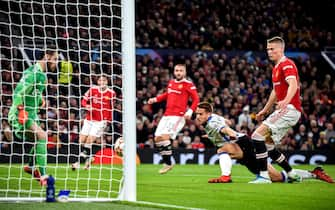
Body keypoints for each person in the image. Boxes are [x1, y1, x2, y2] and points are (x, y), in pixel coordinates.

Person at [195, 102, 334, 184]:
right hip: (243, 145)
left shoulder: (212, 122)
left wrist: (232, 136)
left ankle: (226, 176)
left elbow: (226, 129)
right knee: (278, 178)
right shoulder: (212, 118)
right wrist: (214, 134)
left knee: (222, 150)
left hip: (243, 143)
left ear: (208, 114)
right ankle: (314, 173)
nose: (198, 117)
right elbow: (227, 122)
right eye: (197, 114)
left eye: (200, 114)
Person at [250, 36, 302, 183]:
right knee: (268, 145)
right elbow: (274, 91)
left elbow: (293, 84)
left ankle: (264, 176)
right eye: (267, 49)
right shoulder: (276, 67)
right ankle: (291, 173)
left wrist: (286, 100)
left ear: (281, 49)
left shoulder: (287, 64)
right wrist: (265, 110)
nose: (269, 51)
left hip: (290, 109)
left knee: (256, 136)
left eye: (272, 49)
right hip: (287, 109)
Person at [8, 47, 58, 186]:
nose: (56, 63)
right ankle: (43, 176)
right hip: (21, 113)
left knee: (39, 140)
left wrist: (40, 99)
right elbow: (18, 92)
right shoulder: (33, 73)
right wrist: (20, 109)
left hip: (32, 114)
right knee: (42, 136)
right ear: (46, 57)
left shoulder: (42, 76)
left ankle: (30, 167)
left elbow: (33, 91)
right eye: (55, 59)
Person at [148, 64, 199, 174]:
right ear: (174, 72)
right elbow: (167, 94)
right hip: (166, 115)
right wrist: (155, 99)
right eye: (177, 70)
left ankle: (168, 163)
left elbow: (196, 99)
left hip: (178, 116)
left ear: (184, 72)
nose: (178, 72)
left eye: (181, 71)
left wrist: (190, 111)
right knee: (157, 139)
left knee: (165, 137)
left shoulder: (188, 84)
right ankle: (168, 162)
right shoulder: (171, 82)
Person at [72, 74, 116, 170]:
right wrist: (86, 106)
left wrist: (108, 121)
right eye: (100, 80)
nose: (102, 82)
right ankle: (89, 159)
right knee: (81, 140)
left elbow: (111, 108)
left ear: (107, 82)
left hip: (100, 121)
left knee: (89, 140)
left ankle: (77, 163)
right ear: (98, 82)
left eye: (104, 80)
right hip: (89, 119)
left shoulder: (111, 93)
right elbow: (83, 101)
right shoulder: (92, 90)